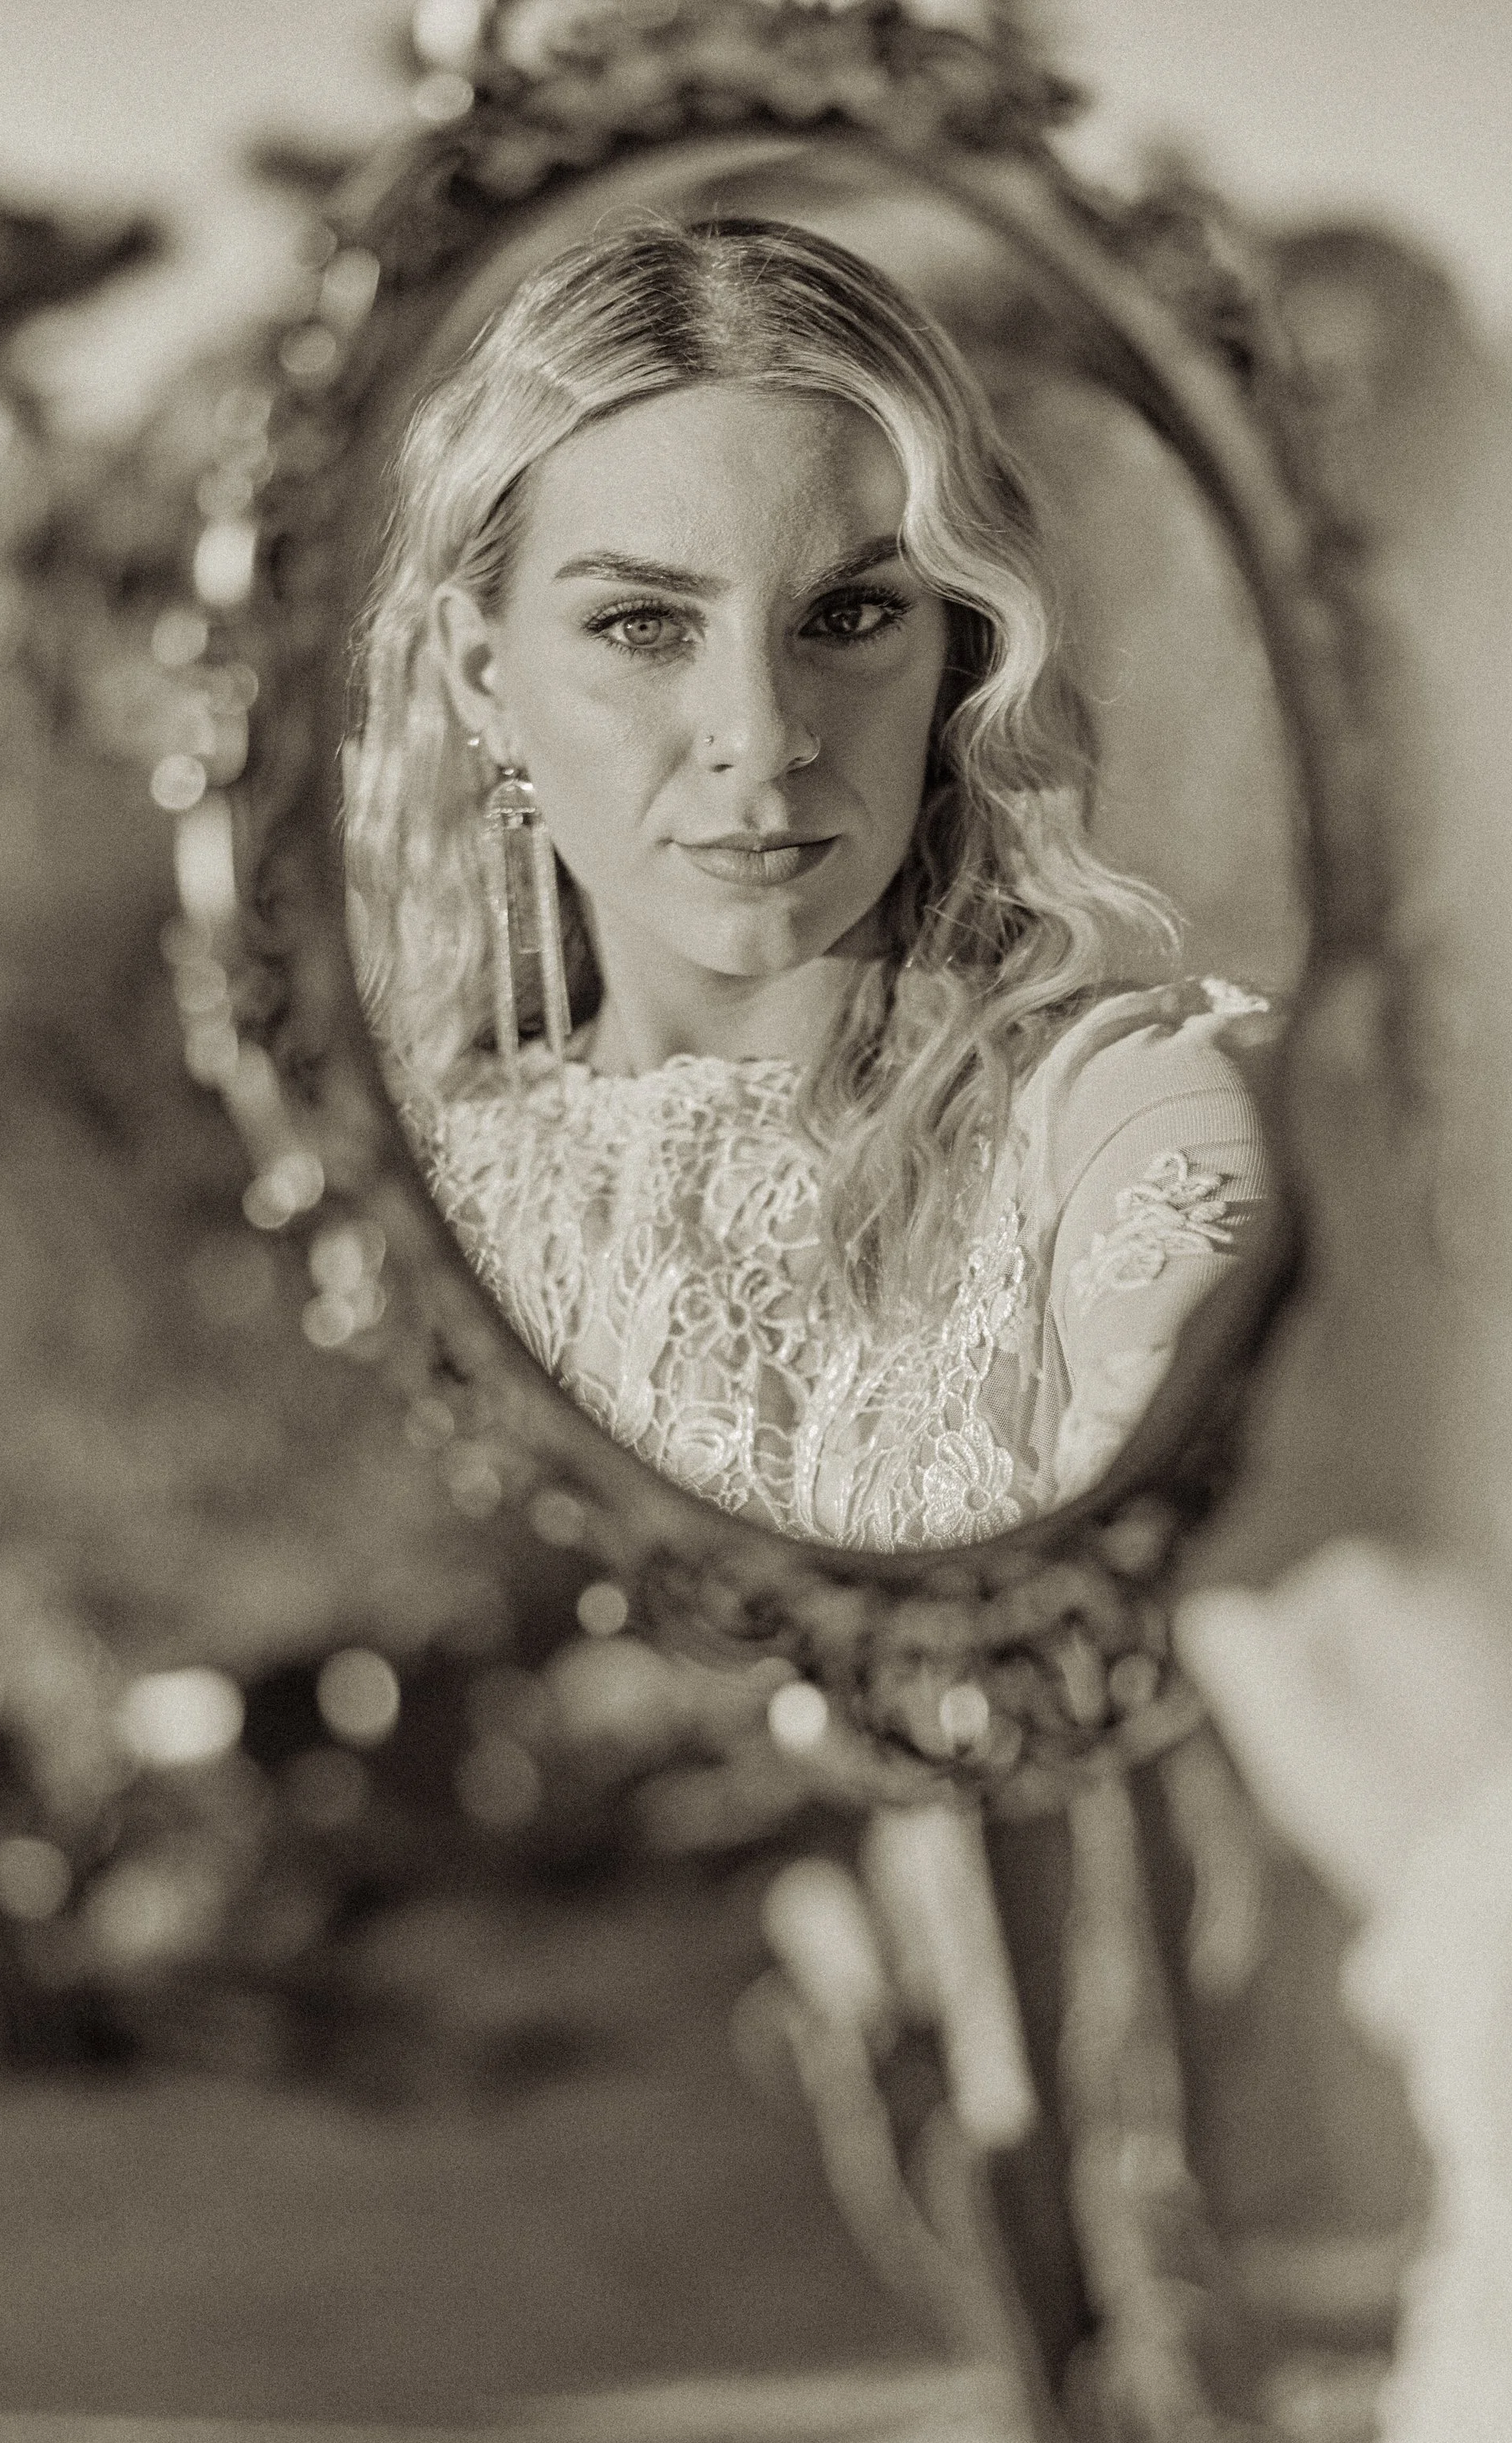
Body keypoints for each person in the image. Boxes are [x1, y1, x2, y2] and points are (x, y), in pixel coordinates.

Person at [346, 215, 1270, 1550]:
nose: (764, 732)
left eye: (846, 618)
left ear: (960, 642)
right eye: (644, 625)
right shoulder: (390, 1197)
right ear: (482, 678)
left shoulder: (1114, 1131)